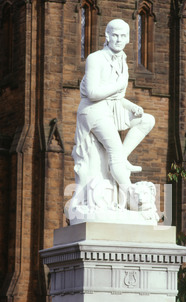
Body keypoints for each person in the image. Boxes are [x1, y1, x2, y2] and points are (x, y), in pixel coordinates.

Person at [74, 19, 155, 191]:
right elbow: (93, 93)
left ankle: (121, 159)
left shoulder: (122, 61)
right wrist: (118, 86)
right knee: (114, 152)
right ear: (107, 36)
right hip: (93, 110)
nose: (119, 39)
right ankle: (130, 194)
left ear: (128, 39)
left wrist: (131, 106)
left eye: (123, 36)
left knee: (147, 120)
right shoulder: (95, 59)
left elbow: (116, 97)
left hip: (112, 108)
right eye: (115, 35)